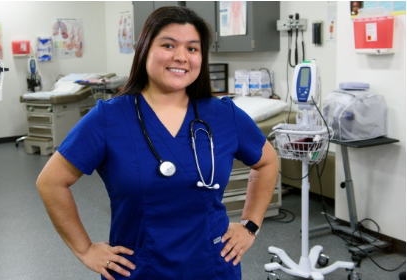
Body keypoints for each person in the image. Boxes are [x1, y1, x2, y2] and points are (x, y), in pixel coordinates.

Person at [37, 6, 279, 279]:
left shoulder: (224, 115)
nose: (181, 57)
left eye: (192, 49)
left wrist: (249, 226)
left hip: (212, 266)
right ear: (144, 50)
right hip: (140, 269)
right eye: (168, 45)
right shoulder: (109, 118)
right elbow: (51, 182)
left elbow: (267, 161)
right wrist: (84, 250)